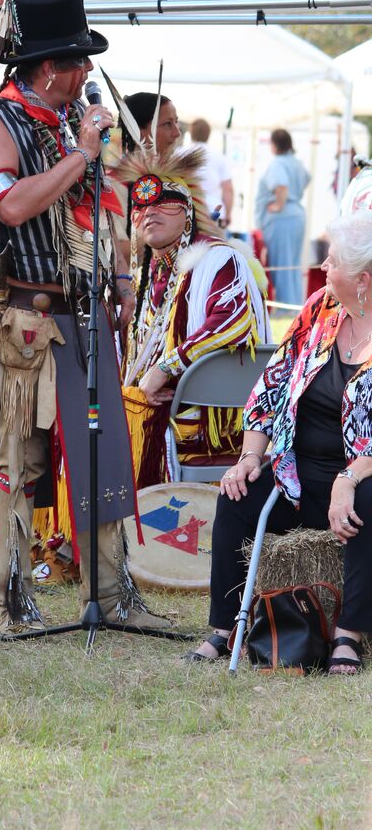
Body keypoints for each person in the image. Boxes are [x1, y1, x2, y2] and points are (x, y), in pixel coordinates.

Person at [0, 0, 168, 635]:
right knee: (18, 461)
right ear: (50, 68)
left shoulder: (67, 125)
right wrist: (81, 152)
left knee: (104, 453)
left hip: (85, 315)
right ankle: (14, 595)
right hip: (27, 320)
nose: (87, 74)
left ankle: (113, 589)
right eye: (79, 62)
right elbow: (12, 205)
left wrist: (122, 278)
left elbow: (102, 210)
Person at [185, 211, 372, 674]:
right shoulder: (319, 310)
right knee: (238, 494)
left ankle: (348, 634)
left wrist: (349, 478)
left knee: (369, 500)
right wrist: (250, 456)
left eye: (332, 263)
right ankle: (225, 629)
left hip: (360, 475)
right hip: (298, 470)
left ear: (364, 280)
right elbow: (270, 387)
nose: (323, 269)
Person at [113, 94, 270, 488]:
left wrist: (165, 369)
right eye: (140, 209)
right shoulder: (150, 275)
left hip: (207, 422)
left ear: (187, 212)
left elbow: (231, 324)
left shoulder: (216, 260)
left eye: (164, 205)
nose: (148, 213)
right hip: (161, 407)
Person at [255, 128, 310, 308]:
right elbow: (307, 178)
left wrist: (278, 204)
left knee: (281, 264)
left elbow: (281, 185)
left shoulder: (277, 164)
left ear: (273, 145)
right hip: (296, 214)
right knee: (292, 263)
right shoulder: (296, 162)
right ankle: (293, 304)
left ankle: (285, 307)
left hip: (282, 217)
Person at [187, 118, 234, 227]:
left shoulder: (180, 153)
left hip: (188, 210)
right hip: (214, 211)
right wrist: (228, 214)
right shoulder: (219, 156)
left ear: (191, 133)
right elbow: (228, 189)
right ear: (208, 134)